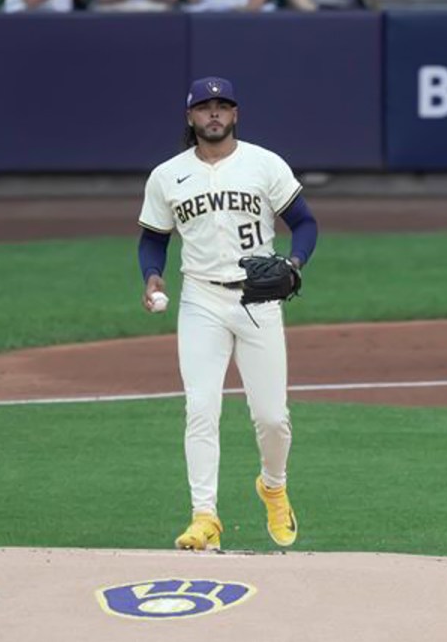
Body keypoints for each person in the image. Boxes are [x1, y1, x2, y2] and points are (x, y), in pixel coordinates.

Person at [137, 76, 319, 550]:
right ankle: (205, 516)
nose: (213, 113)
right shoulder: (167, 175)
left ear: (235, 114)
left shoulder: (263, 164)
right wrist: (152, 276)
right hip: (201, 300)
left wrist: (294, 264)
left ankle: (273, 488)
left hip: (259, 299)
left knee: (272, 417)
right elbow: (153, 237)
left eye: (223, 106)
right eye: (204, 107)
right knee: (201, 408)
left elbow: (304, 222)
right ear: (190, 117)